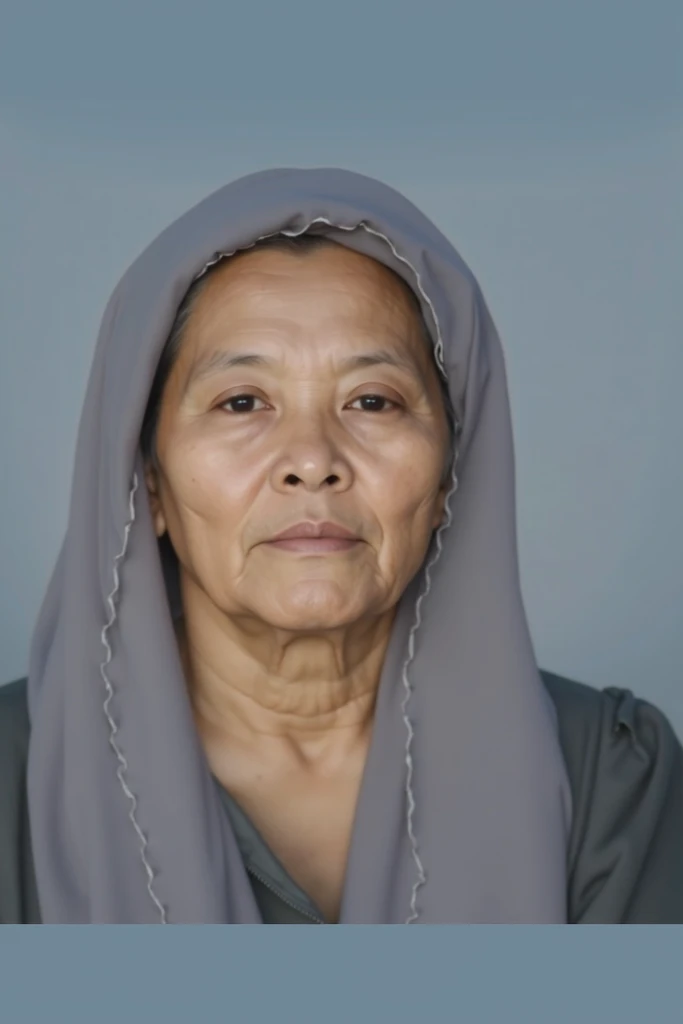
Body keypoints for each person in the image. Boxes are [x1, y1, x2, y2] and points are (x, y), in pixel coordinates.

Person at [1, 168, 681, 925]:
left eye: (371, 401)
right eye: (241, 402)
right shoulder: (12, 780)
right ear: (146, 482)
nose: (312, 457)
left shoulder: (609, 779)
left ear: (454, 469)